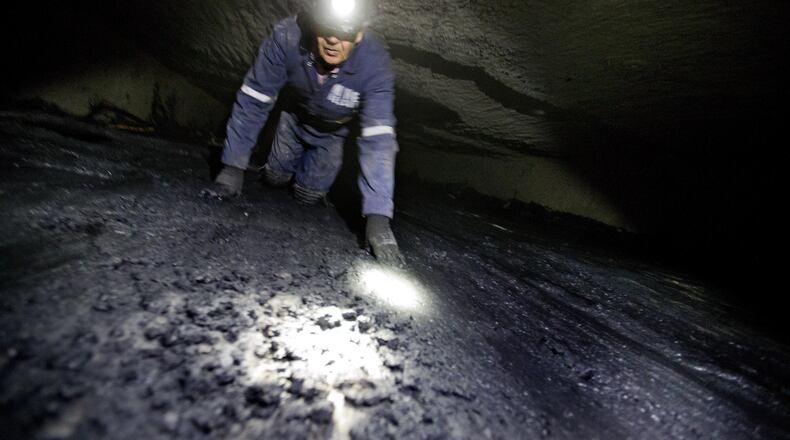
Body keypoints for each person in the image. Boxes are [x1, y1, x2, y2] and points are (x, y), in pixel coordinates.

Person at [206, 0, 404, 266]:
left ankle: (313, 186)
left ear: (359, 34)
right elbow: (254, 98)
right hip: (294, 120)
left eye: (344, 32)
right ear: (314, 24)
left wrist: (378, 219)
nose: (333, 39)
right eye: (327, 28)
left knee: (307, 197)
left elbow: (378, 137)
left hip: (333, 134)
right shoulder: (287, 37)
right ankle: (268, 163)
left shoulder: (374, 63)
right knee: (275, 178)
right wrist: (232, 169)